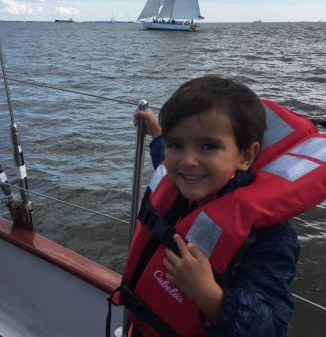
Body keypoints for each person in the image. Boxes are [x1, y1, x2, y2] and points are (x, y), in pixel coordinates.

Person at [125, 75, 301, 336]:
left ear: (245, 155)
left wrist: (209, 295)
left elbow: (272, 328)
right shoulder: (181, 184)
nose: (188, 161)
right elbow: (165, 160)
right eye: (177, 144)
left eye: (208, 146)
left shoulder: (270, 236)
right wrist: (157, 134)